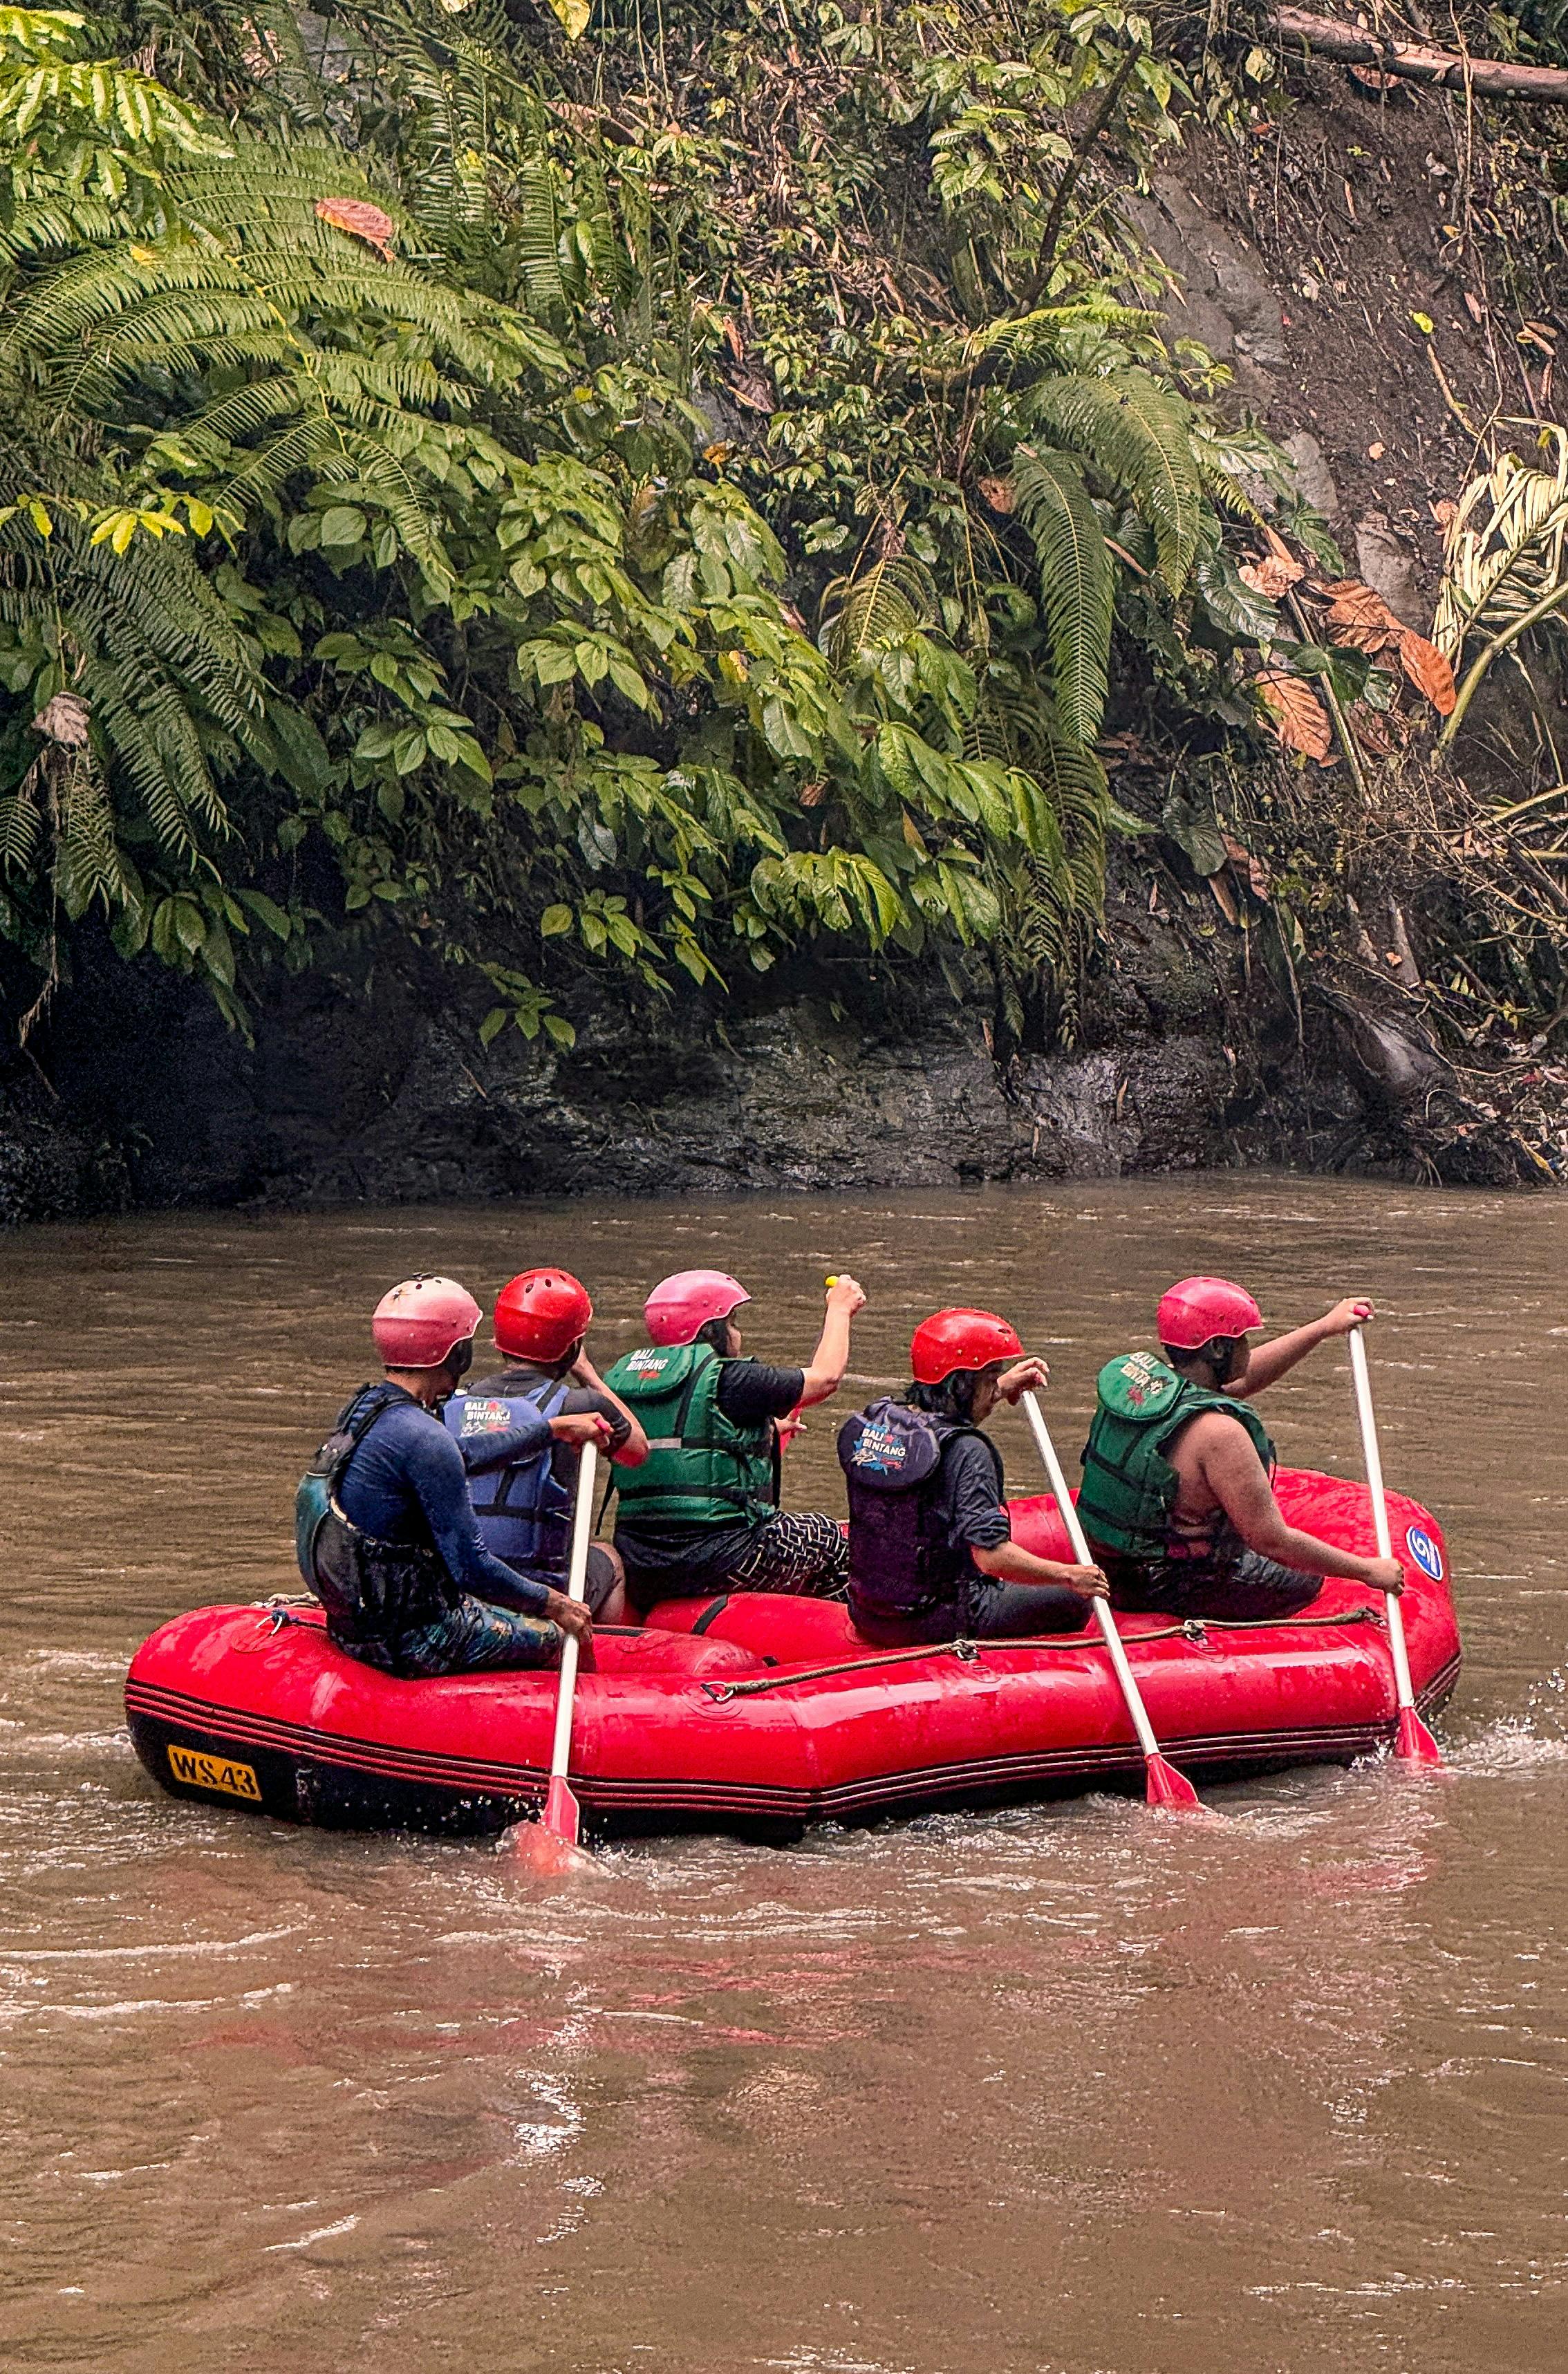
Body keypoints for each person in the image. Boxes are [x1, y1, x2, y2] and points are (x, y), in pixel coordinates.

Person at [296, 1275, 612, 1678]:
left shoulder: (365, 1411)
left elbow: (460, 1455)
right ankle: (587, 1700)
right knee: (562, 1634)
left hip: (356, 1627)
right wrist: (556, 1604)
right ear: (457, 1354)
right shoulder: (425, 1437)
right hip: (414, 1640)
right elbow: (471, 1568)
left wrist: (550, 1430)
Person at [1076, 1275, 1407, 1622]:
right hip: (1163, 1584)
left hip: (1108, 1567)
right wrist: (1369, 1571)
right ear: (1218, 1349)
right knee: (1303, 1580)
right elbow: (1271, 1541)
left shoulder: (1145, 1392)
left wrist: (1323, 1328)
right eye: (1243, 1339)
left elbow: (1244, 1380)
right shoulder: (1220, 1434)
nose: (1248, 1348)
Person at [838, 1306, 1108, 1646]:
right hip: (940, 1617)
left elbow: (940, 1426)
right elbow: (991, 1556)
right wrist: (1069, 1576)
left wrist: (1001, 1387)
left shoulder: (882, 1420)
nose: (996, 1387)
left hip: (869, 1612)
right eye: (990, 1377)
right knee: (1076, 1600)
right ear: (962, 1384)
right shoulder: (969, 1451)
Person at [605, 1268, 866, 1610]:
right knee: (829, 1537)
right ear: (710, 1330)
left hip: (641, 1560)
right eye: (732, 1324)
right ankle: (848, 1629)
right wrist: (840, 1309)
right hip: (721, 1555)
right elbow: (825, 1379)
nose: (737, 1334)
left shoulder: (623, 1380)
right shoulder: (732, 1378)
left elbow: (682, 1441)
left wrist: (767, 1431)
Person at [445, 1267, 647, 1626]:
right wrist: (587, 1373)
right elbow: (636, 1451)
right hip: (541, 1589)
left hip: (461, 1582)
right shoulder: (579, 1405)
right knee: (609, 1558)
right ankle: (597, 1646)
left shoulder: (453, 1404)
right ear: (572, 1347)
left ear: (499, 1339)